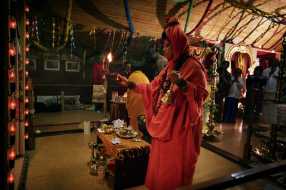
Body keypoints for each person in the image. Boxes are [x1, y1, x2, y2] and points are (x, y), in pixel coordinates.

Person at [116, 17, 208, 190]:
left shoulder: (193, 67)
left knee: (172, 170)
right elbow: (152, 88)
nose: (163, 50)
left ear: (177, 44)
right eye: (163, 46)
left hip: (179, 130)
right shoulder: (169, 67)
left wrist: (182, 84)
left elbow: (201, 96)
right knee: (159, 167)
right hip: (163, 125)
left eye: (167, 45)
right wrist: (130, 84)